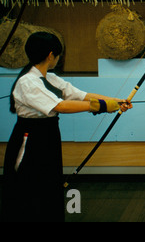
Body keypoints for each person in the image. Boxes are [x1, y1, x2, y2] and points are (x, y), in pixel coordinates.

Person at [1, 31, 132, 222]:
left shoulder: (50, 78)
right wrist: (101, 106)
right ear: (50, 55)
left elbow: (80, 95)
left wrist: (115, 101)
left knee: (49, 183)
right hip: (30, 137)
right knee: (28, 185)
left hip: (48, 135)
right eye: (58, 54)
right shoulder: (27, 81)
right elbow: (59, 106)